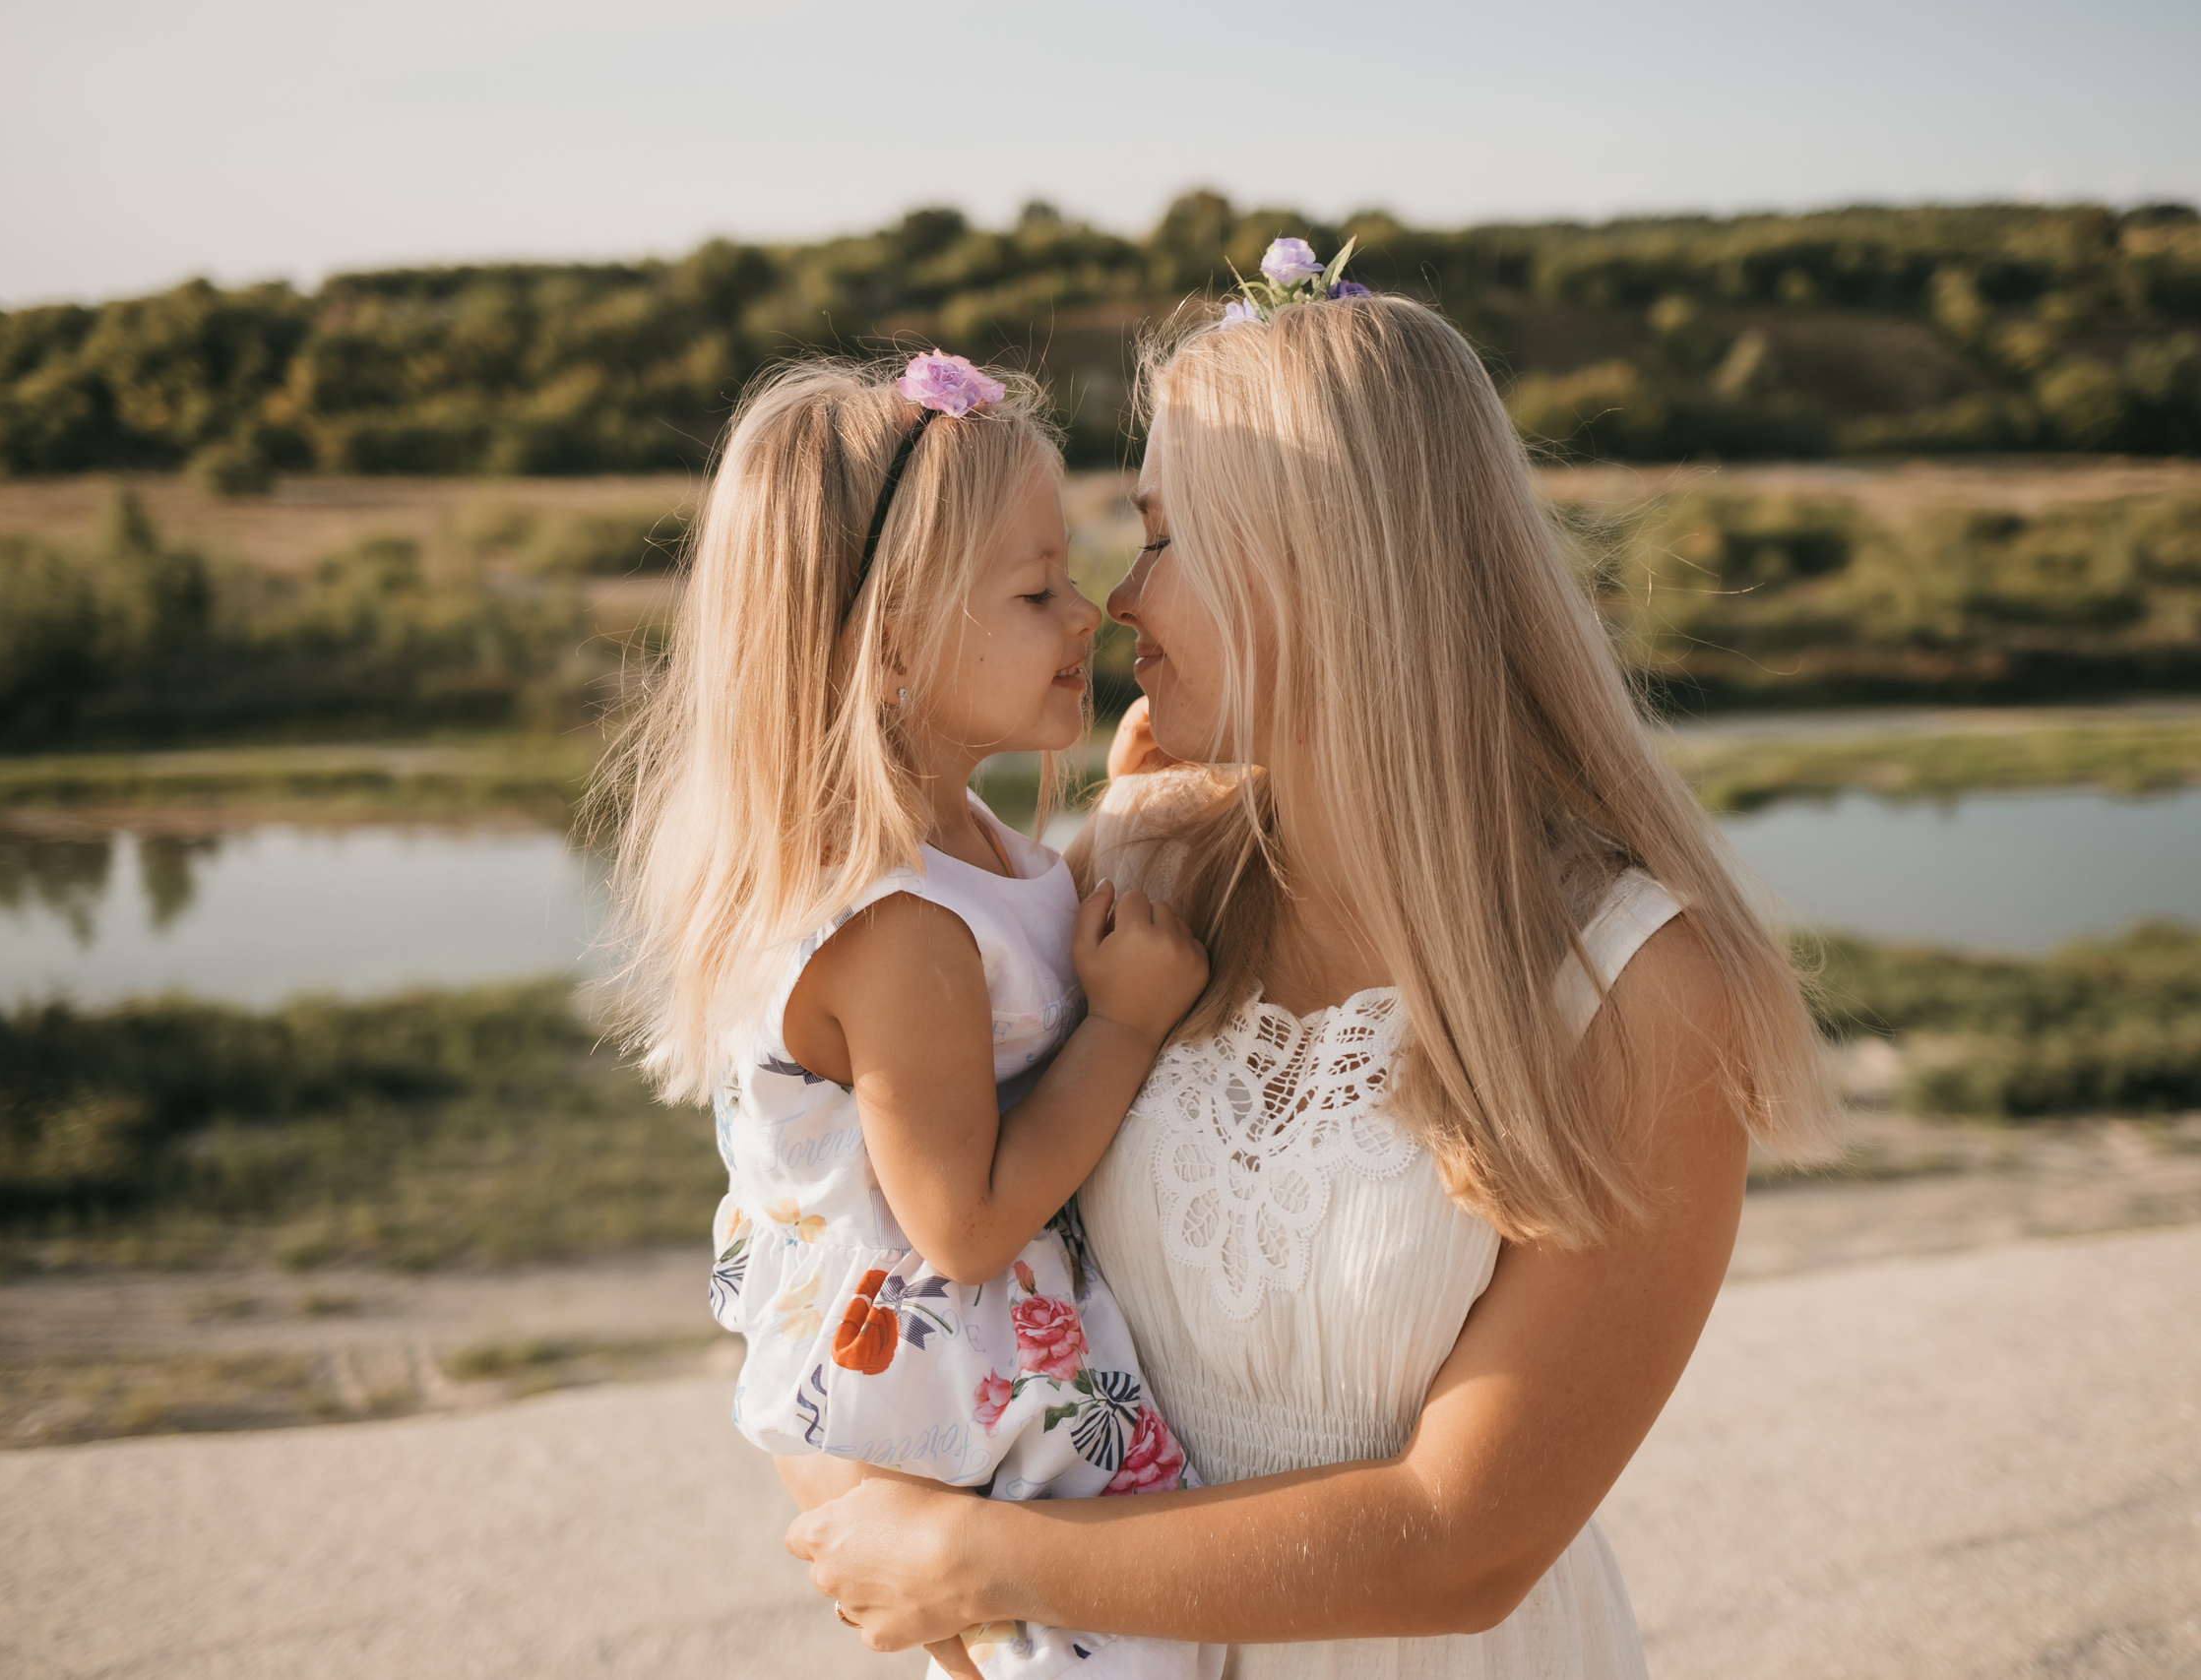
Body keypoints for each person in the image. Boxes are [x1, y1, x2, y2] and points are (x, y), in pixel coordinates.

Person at [784, 263, 1838, 1677]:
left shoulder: (1642, 989)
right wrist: (901, 1553)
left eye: (1162, 537)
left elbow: (1468, 1541)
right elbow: (843, 1221)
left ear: (1320, 564)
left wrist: (986, 1562)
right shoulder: (1140, 878)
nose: (1115, 597)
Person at [598, 351, 1223, 1680]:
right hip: (968, 1431)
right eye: (1037, 589)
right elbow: (968, 1220)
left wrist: (1118, 820)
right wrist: (1124, 1030)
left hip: (996, 1404)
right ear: (890, 640)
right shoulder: (896, 928)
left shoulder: (961, 845)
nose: (1088, 617)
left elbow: (1031, 968)